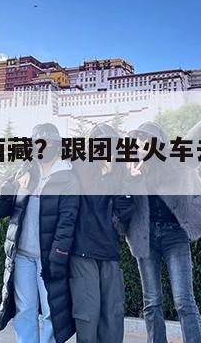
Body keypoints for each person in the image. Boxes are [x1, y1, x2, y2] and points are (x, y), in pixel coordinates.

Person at [125, 94, 201, 343]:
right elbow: (121, 209)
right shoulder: (131, 170)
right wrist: (130, 182)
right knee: (152, 302)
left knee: (183, 301)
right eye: (137, 140)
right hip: (146, 240)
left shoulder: (176, 159)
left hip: (174, 237)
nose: (140, 144)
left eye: (145, 139)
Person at [0, 123, 80, 343]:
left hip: (49, 258)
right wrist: (12, 185)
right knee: (25, 309)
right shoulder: (26, 172)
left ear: (57, 145)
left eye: (48, 143)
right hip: (22, 256)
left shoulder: (67, 176)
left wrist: (58, 254)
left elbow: (68, 221)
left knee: (52, 312)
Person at [70, 123, 135, 343]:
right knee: (88, 313)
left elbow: (125, 211)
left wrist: (128, 179)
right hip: (83, 252)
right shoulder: (79, 167)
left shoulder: (121, 173)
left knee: (112, 314)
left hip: (109, 252)